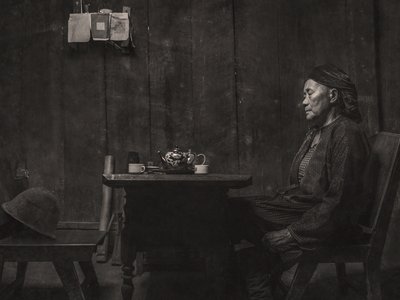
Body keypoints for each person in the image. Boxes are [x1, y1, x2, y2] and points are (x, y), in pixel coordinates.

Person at [230, 64, 370, 299]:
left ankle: (250, 274)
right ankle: (255, 272)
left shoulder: (345, 132)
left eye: (309, 93)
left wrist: (291, 235)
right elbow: (304, 188)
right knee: (232, 214)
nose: (304, 101)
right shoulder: (317, 131)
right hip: (306, 212)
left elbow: (340, 202)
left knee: (233, 213)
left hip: (328, 223)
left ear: (333, 95)